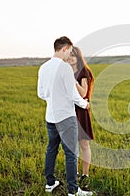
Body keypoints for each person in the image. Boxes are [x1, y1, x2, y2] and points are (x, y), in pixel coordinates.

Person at [37, 36, 93, 196]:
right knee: (71, 153)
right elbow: (73, 95)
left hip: (50, 117)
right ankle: (73, 191)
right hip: (66, 117)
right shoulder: (65, 68)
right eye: (69, 50)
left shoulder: (43, 67)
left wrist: (54, 97)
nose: (70, 54)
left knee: (51, 150)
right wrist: (85, 105)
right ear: (64, 48)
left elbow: (41, 94)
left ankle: (50, 183)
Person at [67, 47, 94, 191]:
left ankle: (85, 175)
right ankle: (75, 173)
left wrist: (73, 81)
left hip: (81, 112)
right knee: (72, 146)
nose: (71, 58)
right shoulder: (66, 71)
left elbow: (83, 94)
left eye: (73, 56)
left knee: (84, 145)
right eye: (69, 56)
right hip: (69, 111)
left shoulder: (84, 72)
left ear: (78, 57)